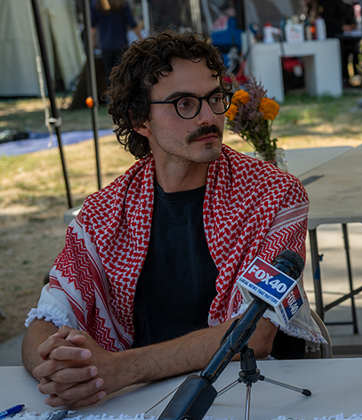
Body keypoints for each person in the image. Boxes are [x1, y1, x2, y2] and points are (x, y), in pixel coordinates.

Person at [21, 31, 325, 408]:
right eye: (184, 103)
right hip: (134, 402)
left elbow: (257, 332)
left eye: (215, 98)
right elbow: (46, 319)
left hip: (249, 397)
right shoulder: (104, 212)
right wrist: (60, 369)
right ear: (139, 119)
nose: (209, 116)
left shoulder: (273, 194)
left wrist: (120, 369)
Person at [91, 0, 142, 87]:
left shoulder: (96, 4)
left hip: (106, 45)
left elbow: (92, 26)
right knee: (122, 75)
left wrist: (93, 42)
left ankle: (111, 98)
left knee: (109, 76)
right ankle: (122, 97)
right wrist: (141, 39)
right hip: (121, 45)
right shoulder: (122, 4)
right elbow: (133, 24)